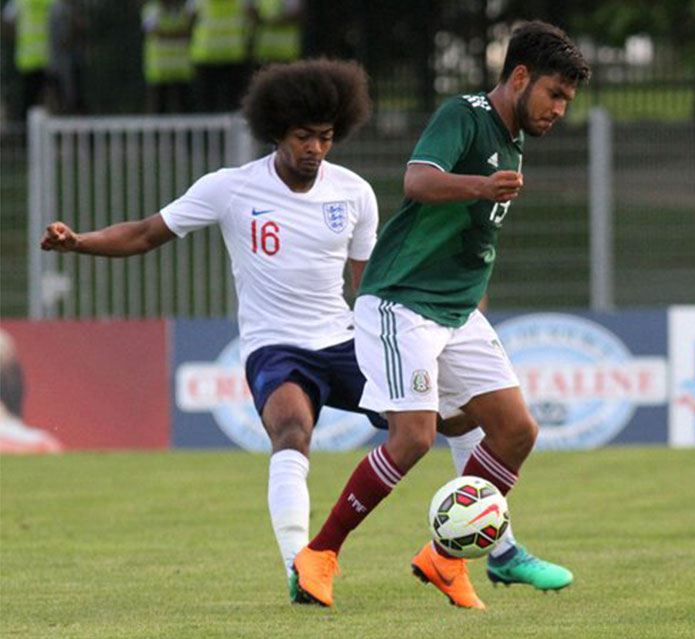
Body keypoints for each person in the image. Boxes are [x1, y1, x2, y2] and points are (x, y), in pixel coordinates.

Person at [37, 59, 481, 605]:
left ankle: (486, 545)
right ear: (276, 131)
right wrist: (79, 241)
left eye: (325, 136)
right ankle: (301, 564)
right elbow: (147, 232)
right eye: (302, 136)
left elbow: (370, 288)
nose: (314, 148)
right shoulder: (230, 188)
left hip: (344, 340)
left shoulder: (355, 193)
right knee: (292, 430)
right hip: (276, 347)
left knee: (450, 417)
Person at [292, 21, 591, 610]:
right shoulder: (465, 114)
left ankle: (446, 557)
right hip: (401, 302)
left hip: (455, 312)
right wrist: (481, 187)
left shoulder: (513, 137)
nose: (559, 109)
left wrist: (477, 289)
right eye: (555, 94)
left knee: (516, 432)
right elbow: (418, 181)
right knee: (413, 438)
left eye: (567, 101)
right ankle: (319, 553)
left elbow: (474, 238)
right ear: (522, 77)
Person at [187, 0, 248, 112]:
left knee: (207, 104)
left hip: (208, 55)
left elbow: (189, 22)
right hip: (229, 54)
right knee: (231, 104)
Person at [2, 0, 54, 120]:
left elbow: (6, 21)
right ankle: (28, 132)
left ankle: (30, 131)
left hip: (40, 59)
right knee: (31, 101)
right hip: (33, 60)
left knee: (37, 101)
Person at [141, 0, 193, 113]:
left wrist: (168, 35)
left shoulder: (183, 9)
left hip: (181, 71)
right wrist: (177, 35)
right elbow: (153, 32)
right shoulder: (151, 10)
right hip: (159, 72)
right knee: (158, 110)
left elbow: (189, 31)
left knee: (185, 111)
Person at [246, 0, 301, 69]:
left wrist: (269, 22)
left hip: (287, 54)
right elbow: (251, 17)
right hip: (263, 53)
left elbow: (296, 16)